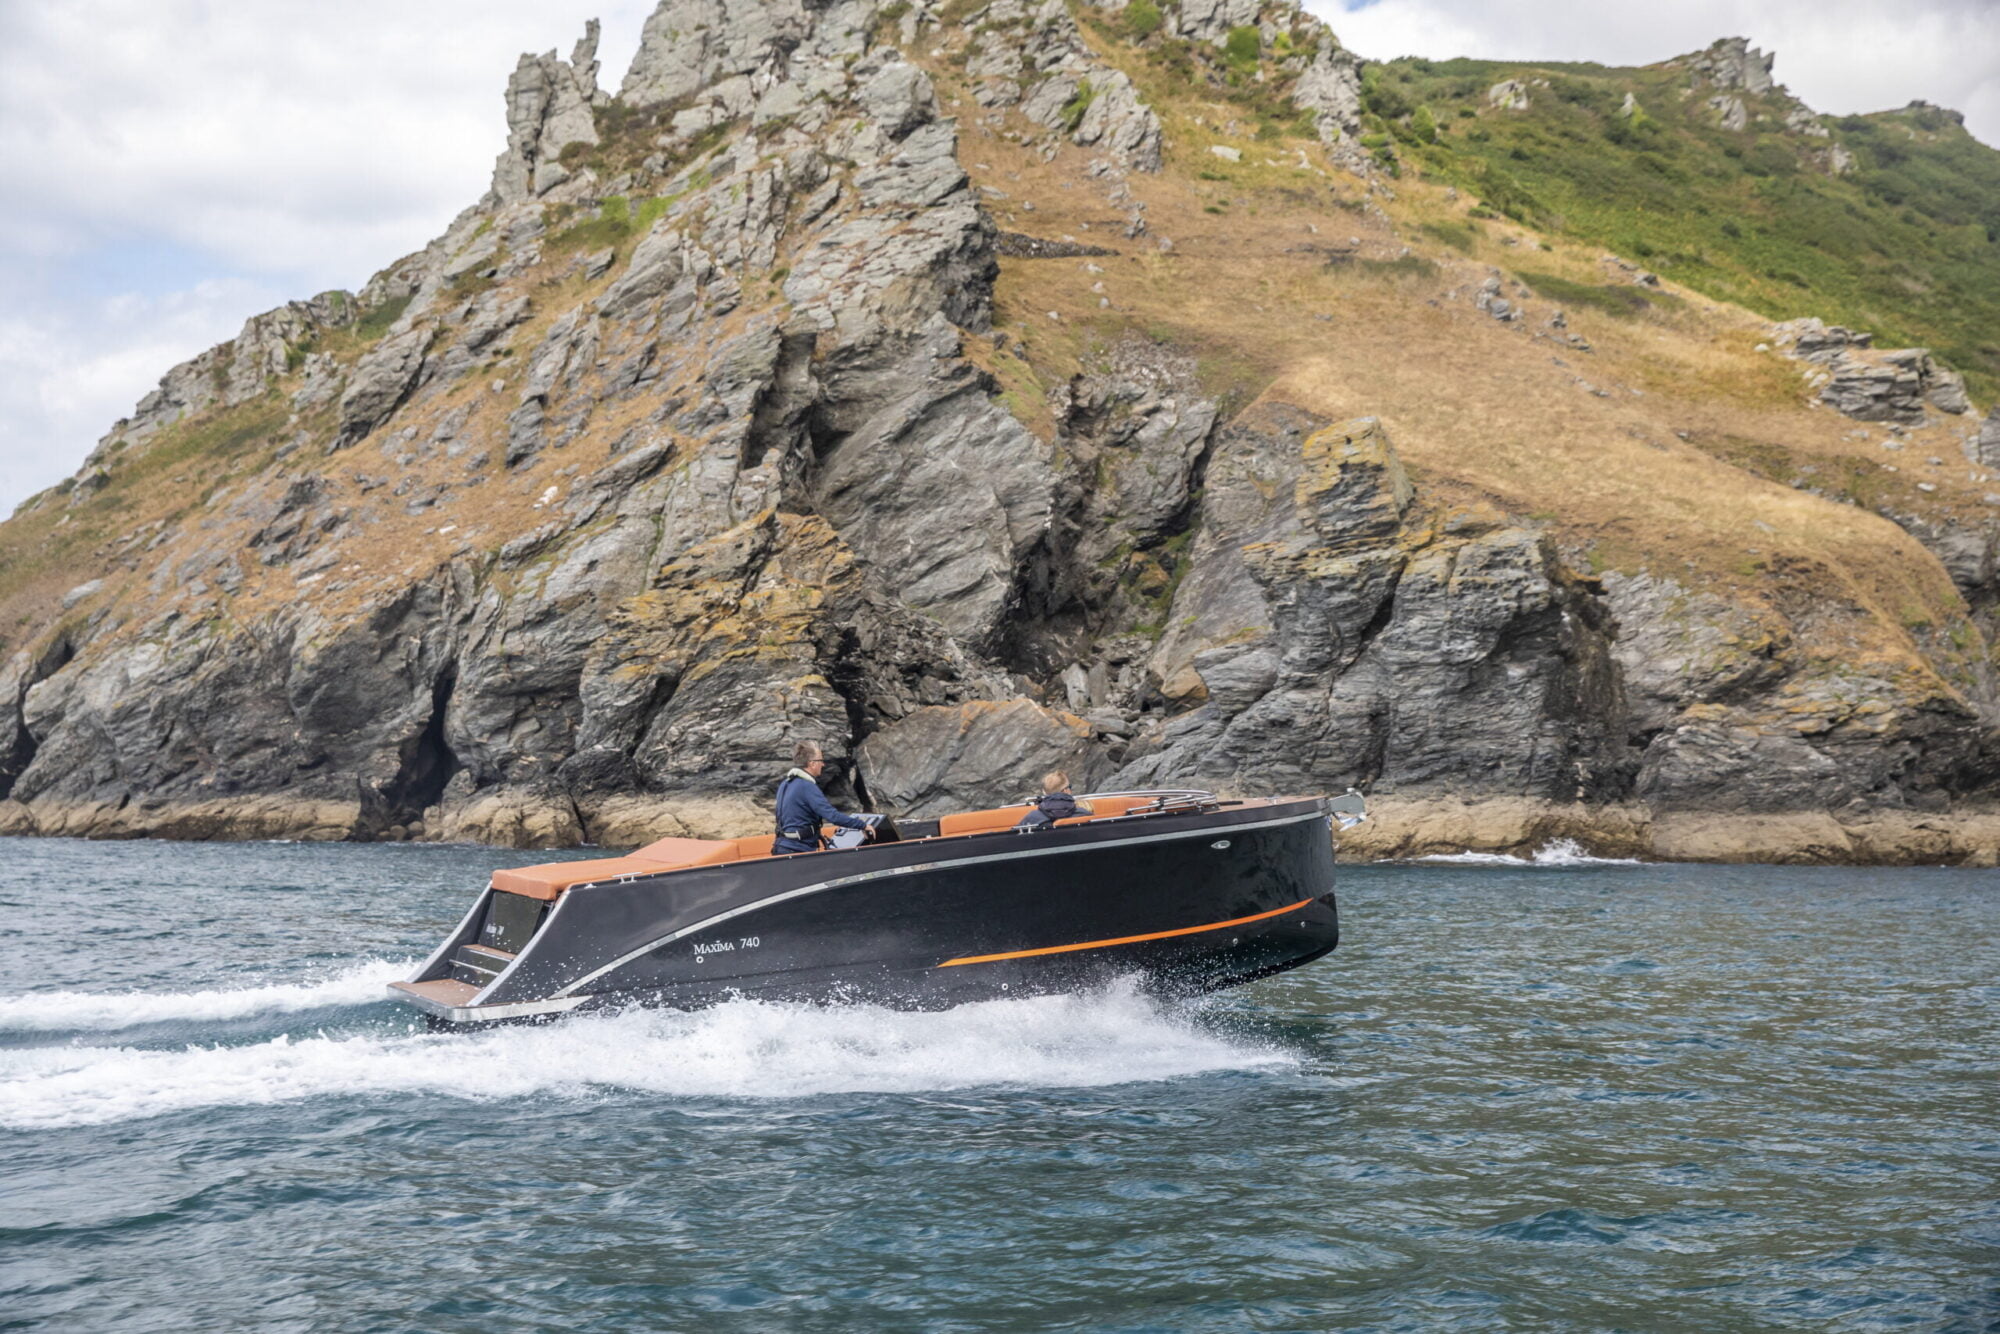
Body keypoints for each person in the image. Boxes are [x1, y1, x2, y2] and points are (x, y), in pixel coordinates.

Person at [773, 741, 875, 854]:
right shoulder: (806, 786)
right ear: (812, 763)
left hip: (781, 846)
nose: (823, 764)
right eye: (821, 760)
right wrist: (863, 825)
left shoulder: (785, 784)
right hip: (797, 850)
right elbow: (832, 816)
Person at [1015, 770, 1094, 829]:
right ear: (1066, 791)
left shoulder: (1031, 818)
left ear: (1044, 792)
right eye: (1069, 787)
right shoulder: (1084, 815)